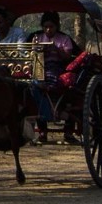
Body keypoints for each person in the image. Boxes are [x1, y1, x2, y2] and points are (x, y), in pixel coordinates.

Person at [29, 12, 79, 144]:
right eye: (45, 27)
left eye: (51, 27)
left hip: (57, 67)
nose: (48, 30)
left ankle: (59, 116)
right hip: (38, 67)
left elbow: (67, 57)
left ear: (57, 26)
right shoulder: (37, 37)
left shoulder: (64, 39)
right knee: (32, 84)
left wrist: (55, 49)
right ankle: (42, 130)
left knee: (50, 81)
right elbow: (29, 55)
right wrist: (36, 48)